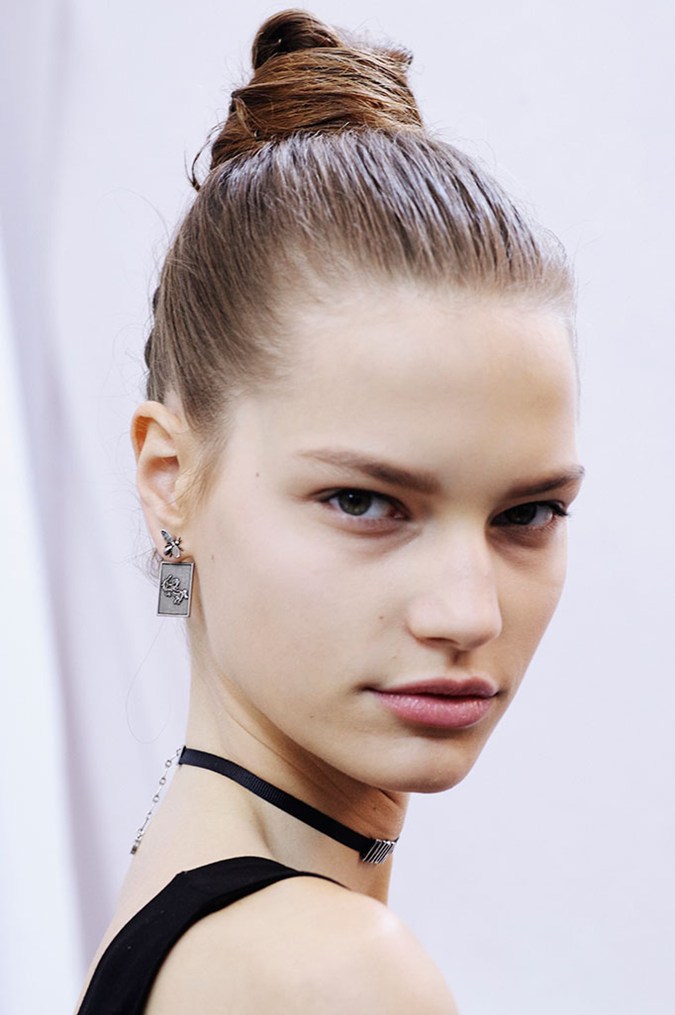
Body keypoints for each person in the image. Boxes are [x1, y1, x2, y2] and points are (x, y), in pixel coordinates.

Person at [76, 8, 583, 1013]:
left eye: (526, 514)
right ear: (170, 477)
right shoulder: (328, 971)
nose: (469, 613)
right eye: (365, 501)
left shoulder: (174, 891)